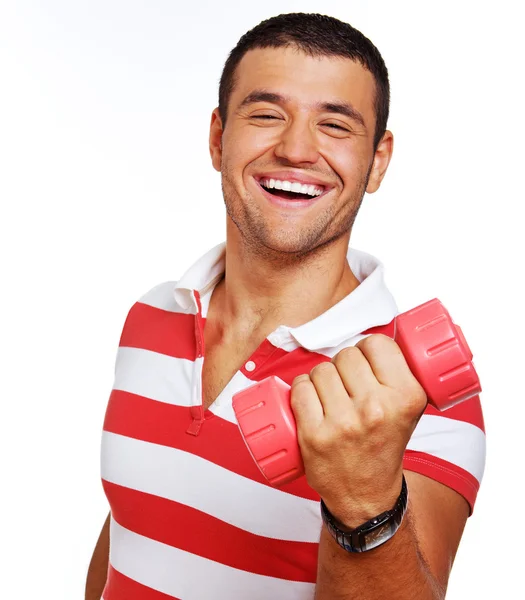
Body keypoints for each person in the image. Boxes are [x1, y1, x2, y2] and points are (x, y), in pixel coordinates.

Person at [85, 12, 486, 600]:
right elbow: (129, 526)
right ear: (219, 138)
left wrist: (364, 501)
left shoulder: (413, 397)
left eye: (336, 126)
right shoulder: (153, 317)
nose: (297, 149)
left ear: (377, 161)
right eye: (266, 115)